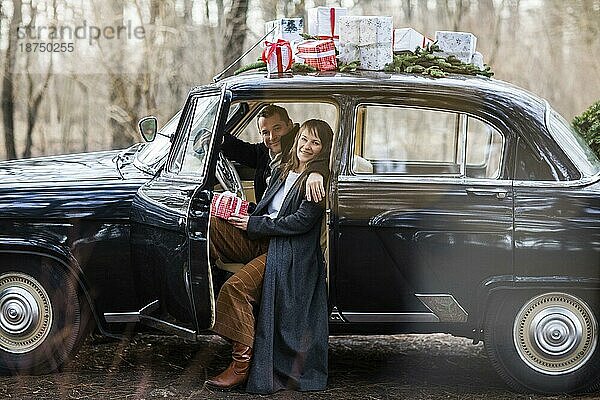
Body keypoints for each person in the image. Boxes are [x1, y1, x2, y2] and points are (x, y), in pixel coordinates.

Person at [206, 119, 333, 393]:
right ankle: (205, 295)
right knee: (211, 225)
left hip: (287, 250)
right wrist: (241, 211)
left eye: (316, 143)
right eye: (304, 139)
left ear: (323, 150)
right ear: (296, 138)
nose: (307, 147)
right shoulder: (284, 169)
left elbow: (299, 222)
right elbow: (269, 209)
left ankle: (241, 366)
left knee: (235, 289)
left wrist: (254, 224)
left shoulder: (315, 180)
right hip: (266, 238)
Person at [221, 104, 327, 203]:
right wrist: (218, 138)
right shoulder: (264, 151)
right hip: (264, 214)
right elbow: (240, 150)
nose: (272, 137)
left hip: (280, 218)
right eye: (265, 133)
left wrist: (316, 172)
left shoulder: (300, 148)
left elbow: (325, 155)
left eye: (277, 128)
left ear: (290, 125)